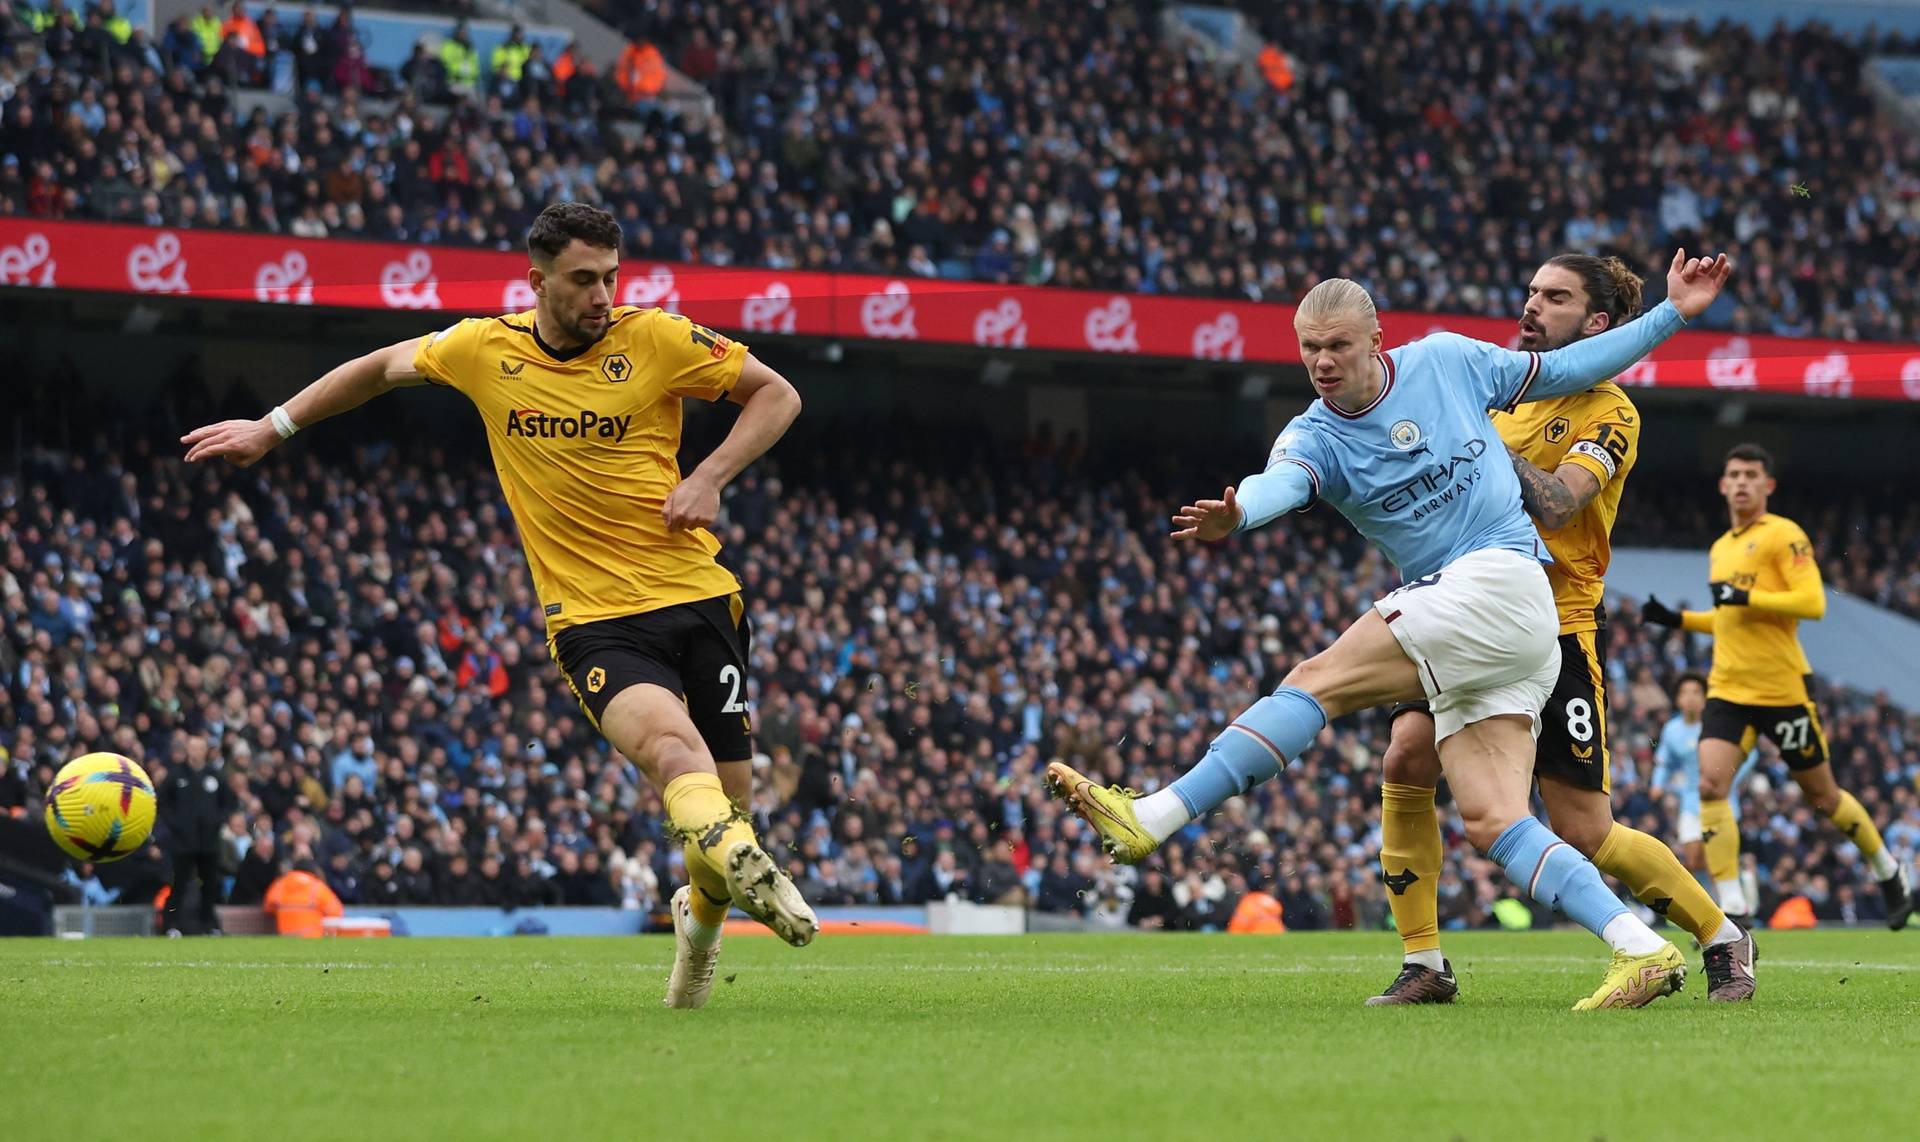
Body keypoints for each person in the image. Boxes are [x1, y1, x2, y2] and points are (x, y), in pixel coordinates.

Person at [1048, 250, 1733, 1010]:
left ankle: (1154, 815)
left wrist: (1671, 314)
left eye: (1338, 345)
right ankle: (1637, 947)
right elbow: (1285, 483)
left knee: (1316, 681)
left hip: (1508, 585)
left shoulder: (1446, 363)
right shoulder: (1312, 437)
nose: (1322, 362)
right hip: (1496, 628)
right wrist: (1241, 512)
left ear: (1377, 340)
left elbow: (1576, 367)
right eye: (1309, 348)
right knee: (1490, 817)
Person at [182, 201, 817, 1010]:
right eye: (584, 280)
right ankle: (724, 885)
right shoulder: (485, 349)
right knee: (670, 754)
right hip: (592, 623)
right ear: (538, 281)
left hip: (701, 599)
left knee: (724, 816)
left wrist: (710, 475)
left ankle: (699, 919)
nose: (601, 295)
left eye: (611, 278)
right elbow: (378, 367)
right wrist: (274, 426)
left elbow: (777, 395)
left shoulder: (655, 338)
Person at [1369, 255, 1754, 1007]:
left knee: (1583, 827)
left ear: (1598, 325)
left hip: (1556, 627)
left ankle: (1721, 934)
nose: (1532, 306)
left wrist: (1477, 443)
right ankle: (1426, 963)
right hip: (1461, 612)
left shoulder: (1610, 411)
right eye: (1531, 291)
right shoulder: (1497, 395)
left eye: (1555, 297)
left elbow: (1557, 505)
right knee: (1407, 755)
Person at [1641, 444, 1917, 930]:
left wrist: (1747, 595)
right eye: (1734, 474)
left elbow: (1813, 602)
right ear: (1722, 485)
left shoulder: (1785, 535)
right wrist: (1679, 618)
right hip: (1728, 689)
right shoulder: (1721, 547)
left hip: (1782, 690)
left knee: (1824, 798)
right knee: (1709, 785)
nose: (1742, 482)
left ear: (1768, 486)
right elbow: (1730, 619)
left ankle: (1888, 871)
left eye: (1751, 474)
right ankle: (1734, 908)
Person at [1652, 673, 1759, 873]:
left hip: (1722, 803)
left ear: (1705, 697)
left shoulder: (1719, 725)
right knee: (1693, 862)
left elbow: (1750, 753)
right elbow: (1664, 761)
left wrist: (1729, 777)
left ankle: (1733, 892)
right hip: (1691, 803)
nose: (1690, 698)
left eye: (1696, 692)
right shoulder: (1672, 730)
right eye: (1685, 693)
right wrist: (1657, 784)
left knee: (1719, 862)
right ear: (1677, 699)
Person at [158, 735, 237, 936]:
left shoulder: (215, 775)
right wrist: (176, 824)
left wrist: (217, 821)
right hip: (183, 842)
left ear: (205, 751)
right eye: (192, 748)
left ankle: (209, 925)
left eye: (200, 748)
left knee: (210, 885)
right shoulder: (176, 775)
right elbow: (163, 803)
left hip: (209, 842)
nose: (196, 752)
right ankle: (171, 925)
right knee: (178, 885)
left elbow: (229, 802)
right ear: (187, 750)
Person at [263, 858, 344, 937]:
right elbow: (336, 911)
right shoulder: (317, 886)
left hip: (287, 938)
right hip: (312, 938)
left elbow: (268, 907)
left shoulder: (280, 884)